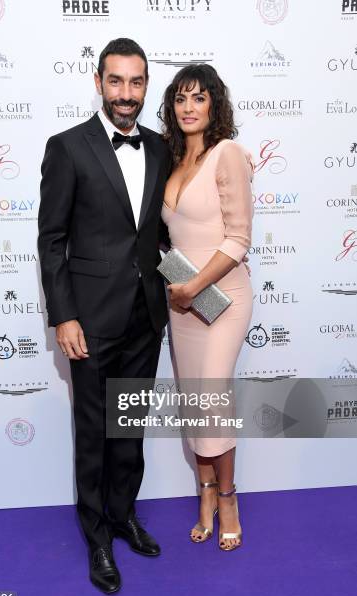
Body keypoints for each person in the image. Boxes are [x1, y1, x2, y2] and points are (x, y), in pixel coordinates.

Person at [38, 38, 171, 595]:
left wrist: (205, 298)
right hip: (89, 322)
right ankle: (96, 538)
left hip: (146, 316)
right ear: (98, 82)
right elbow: (52, 240)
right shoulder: (67, 147)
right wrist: (64, 318)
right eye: (115, 81)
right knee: (93, 432)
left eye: (136, 82)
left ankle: (123, 515)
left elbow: (163, 236)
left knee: (129, 430)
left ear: (145, 86)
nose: (126, 94)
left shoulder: (162, 148)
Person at [160, 64, 254, 551]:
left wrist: (195, 284)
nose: (189, 107)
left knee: (212, 399)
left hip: (223, 299)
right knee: (196, 404)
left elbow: (239, 238)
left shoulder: (228, 154)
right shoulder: (172, 160)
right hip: (182, 304)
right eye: (180, 98)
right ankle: (206, 494)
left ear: (214, 104)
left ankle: (230, 498)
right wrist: (183, 288)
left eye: (199, 98)